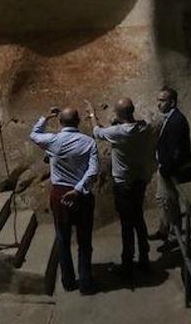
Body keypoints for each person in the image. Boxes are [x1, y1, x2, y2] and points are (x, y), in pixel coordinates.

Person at [30, 106, 99, 294]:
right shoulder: (89, 142)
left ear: (60, 122)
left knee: (62, 239)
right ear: (78, 122)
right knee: (84, 240)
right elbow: (92, 171)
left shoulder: (53, 141)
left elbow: (34, 134)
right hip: (81, 195)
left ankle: (68, 281)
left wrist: (46, 116)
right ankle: (85, 282)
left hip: (59, 194)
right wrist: (78, 190)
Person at [87, 98, 154, 277]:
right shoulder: (144, 127)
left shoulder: (118, 132)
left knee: (126, 223)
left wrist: (92, 113)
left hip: (123, 183)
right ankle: (144, 257)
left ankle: (127, 262)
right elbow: (135, 124)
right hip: (139, 180)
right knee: (139, 218)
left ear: (118, 114)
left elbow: (97, 132)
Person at [150, 86, 191, 252]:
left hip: (169, 169)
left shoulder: (176, 121)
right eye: (158, 100)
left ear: (172, 102)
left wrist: (165, 170)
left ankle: (175, 237)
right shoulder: (170, 117)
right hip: (165, 167)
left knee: (170, 203)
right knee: (163, 200)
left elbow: (176, 151)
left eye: (162, 101)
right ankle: (164, 230)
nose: (159, 104)